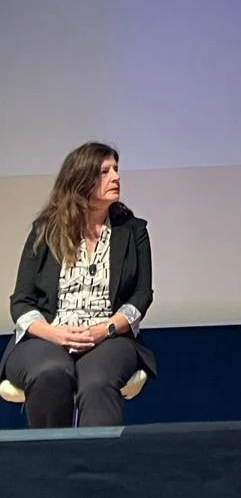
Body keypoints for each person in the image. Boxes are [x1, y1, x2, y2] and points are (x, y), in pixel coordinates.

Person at [2, 142, 155, 428]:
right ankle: (52, 466)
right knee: (51, 372)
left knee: (97, 383)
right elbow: (21, 301)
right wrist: (54, 335)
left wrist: (105, 329)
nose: (116, 177)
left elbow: (141, 296)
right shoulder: (45, 231)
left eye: (116, 170)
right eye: (105, 172)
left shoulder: (133, 231)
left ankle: (96, 469)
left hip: (108, 336)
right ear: (81, 180)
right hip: (48, 336)